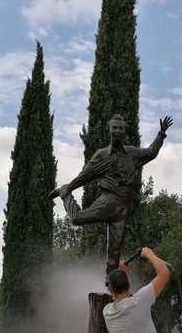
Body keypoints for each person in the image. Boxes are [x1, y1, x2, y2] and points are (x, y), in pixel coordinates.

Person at [50, 114, 173, 275]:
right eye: (114, 127)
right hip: (108, 201)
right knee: (76, 218)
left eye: (121, 128)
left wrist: (161, 134)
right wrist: (69, 189)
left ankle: (112, 287)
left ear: (124, 131)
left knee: (114, 254)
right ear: (109, 130)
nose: (117, 131)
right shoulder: (102, 155)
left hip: (122, 210)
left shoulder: (132, 154)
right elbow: (85, 175)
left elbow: (151, 152)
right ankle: (64, 195)